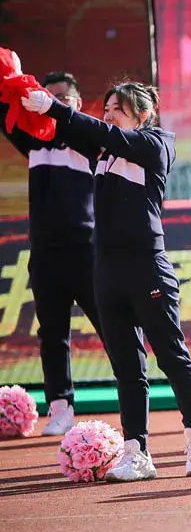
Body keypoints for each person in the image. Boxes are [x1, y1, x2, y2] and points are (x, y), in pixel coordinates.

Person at [21, 80, 191, 480]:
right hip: (106, 271)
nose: (109, 115)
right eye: (107, 108)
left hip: (147, 266)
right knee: (127, 366)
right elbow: (79, 131)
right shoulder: (102, 152)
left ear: (142, 115)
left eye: (119, 109)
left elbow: (100, 132)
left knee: (171, 354)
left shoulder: (157, 143)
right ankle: (137, 452)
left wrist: (55, 106)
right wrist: (24, 96)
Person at [0, 62, 105, 435]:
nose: (55, 102)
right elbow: (5, 113)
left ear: (77, 101)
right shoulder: (34, 141)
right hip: (45, 252)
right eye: (49, 96)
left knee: (113, 327)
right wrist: (12, 79)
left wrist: (54, 109)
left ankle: (133, 398)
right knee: (53, 333)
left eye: (63, 97)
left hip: (86, 250)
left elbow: (79, 129)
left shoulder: (88, 137)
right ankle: (61, 408)